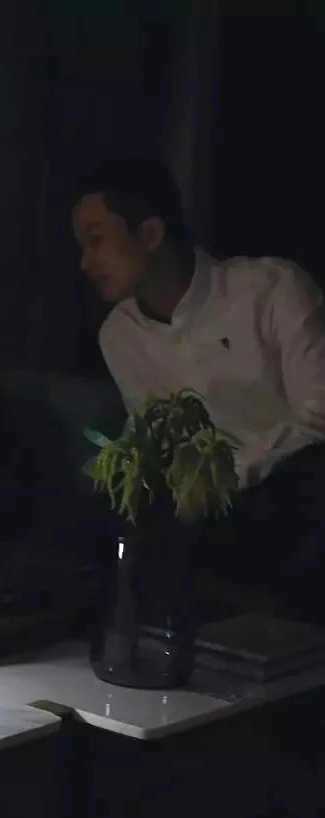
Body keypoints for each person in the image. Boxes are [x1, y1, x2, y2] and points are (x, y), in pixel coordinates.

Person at [72, 156, 325, 618]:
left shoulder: (271, 290)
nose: (86, 263)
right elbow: (157, 439)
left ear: (151, 233)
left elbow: (319, 416)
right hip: (202, 518)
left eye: (97, 241)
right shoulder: (119, 334)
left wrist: (229, 476)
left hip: (291, 494)